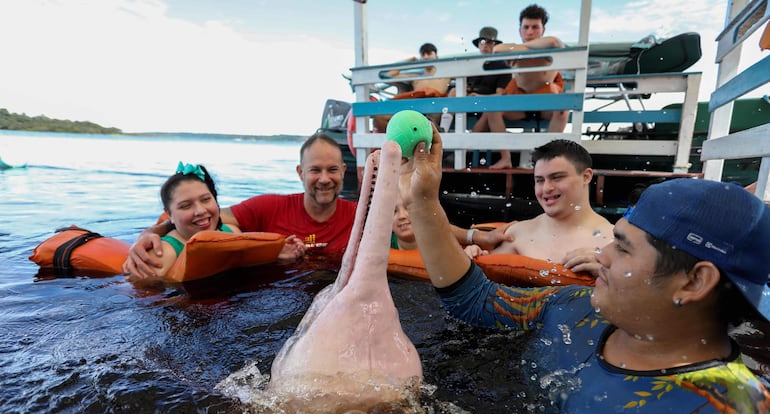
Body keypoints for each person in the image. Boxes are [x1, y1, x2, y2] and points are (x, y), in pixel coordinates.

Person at [398, 124, 770, 414]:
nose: (602, 255)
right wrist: (423, 202)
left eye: (623, 248)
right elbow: (475, 300)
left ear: (694, 282)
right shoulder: (574, 307)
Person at [125, 132, 507, 278]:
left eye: (331, 170)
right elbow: (207, 223)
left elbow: (411, 223)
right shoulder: (267, 207)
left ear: (344, 172)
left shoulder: (359, 214)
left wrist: (472, 235)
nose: (323, 179)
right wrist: (153, 231)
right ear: (299, 172)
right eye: (314, 171)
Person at [464, 139, 612, 275]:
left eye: (557, 177)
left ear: (586, 176)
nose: (547, 188)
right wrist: (472, 257)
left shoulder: (612, 241)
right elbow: (479, 286)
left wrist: (610, 275)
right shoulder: (517, 234)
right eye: (540, 180)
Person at [476, 4, 569, 169]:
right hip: (520, 103)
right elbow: (497, 49)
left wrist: (522, 48)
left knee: (563, 109)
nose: (530, 32)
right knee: (493, 108)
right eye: (526, 27)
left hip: (545, 103)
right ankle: (506, 158)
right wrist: (524, 48)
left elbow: (554, 41)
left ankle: (547, 159)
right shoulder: (514, 51)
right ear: (520, 30)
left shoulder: (552, 48)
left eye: (535, 27)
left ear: (543, 29)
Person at [152, 162, 242, 276]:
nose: (200, 211)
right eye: (185, 206)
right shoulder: (164, 253)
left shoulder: (233, 232)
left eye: (205, 199)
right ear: (169, 215)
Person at [374, 43, 451, 133]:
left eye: (429, 54)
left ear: (436, 56)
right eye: (423, 55)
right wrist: (408, 61)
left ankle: (434, 131)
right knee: (379, 117)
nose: (426, 57)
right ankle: (395, 143)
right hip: (415, 111)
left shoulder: (446, 75)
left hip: (434, 112)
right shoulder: (415, 77)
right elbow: (390, 76)